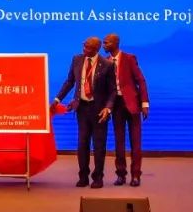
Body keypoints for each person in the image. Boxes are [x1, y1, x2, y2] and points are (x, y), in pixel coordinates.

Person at [54, 37, 116, 188]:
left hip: (99, 110)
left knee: (99, 145)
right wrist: (57, 99)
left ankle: (98, 178)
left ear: (96, 49)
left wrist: (108, 108)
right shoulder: (77, 59)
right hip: (82, 108)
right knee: (82, 144)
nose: (84, 49)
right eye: (84, 46)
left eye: (88, 47)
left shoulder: (107, 65)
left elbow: (112, 91)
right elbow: (70, 82)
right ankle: (83, 176)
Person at [102, 33, 150, 187]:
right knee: (119, 142)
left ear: (115, 43)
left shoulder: (129, 58)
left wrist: (144, 104)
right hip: (116, 106)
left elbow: (141, 80)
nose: (104, 45)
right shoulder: (105, 62)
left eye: (106, 42)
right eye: (103, 42)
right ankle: (121, 174)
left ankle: (136, 175)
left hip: (132, 104)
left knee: (135, 142)